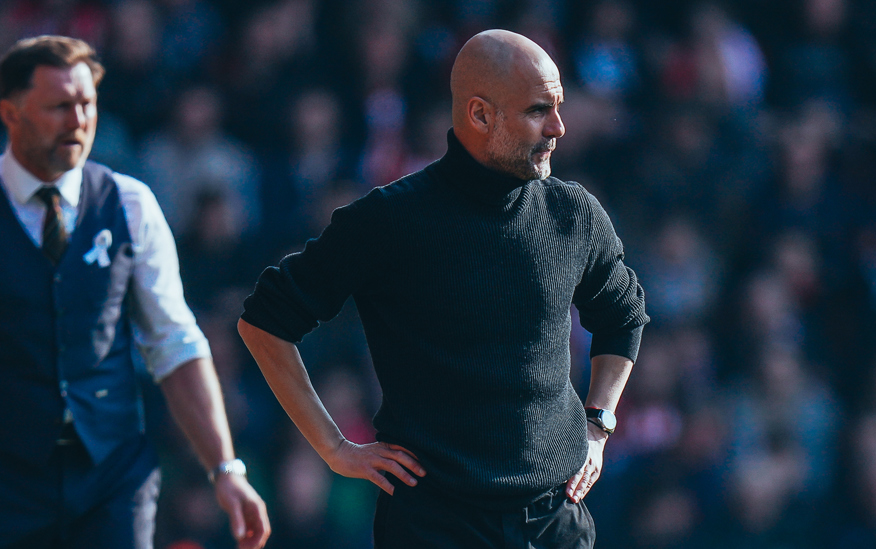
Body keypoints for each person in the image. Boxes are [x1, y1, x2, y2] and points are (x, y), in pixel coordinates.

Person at [238, 29, 649, 548]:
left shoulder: (574, 213)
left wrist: (599, 423)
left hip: (554, 518)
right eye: (538, 111)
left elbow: (624, 316)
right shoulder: (390, 220)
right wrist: (335, 447)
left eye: (559, 107)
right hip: (434, 525)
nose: (559, 128)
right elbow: (265, 322)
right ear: (480, 115)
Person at [0, 35, 270, 549]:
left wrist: (225, 470)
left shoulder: (130, 205)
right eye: (59, 106)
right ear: (10, 114)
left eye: (87, 104)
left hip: (111, 477)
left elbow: (175, 343)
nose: (78, 119)